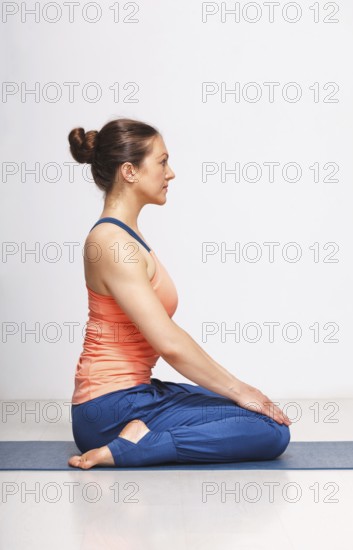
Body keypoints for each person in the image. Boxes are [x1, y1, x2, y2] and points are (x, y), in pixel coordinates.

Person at [67, 117, 292, 469]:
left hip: (136, 396)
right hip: (109, 410)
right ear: (129, 171)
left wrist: (236, 392)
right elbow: (168, 342)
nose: (170, 173)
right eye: (161, 162)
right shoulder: (111, 243)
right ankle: (133, 447)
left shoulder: (125, 236)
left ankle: (143, 437)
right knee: (270, 430)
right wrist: (239, 388)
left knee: (260, 418)